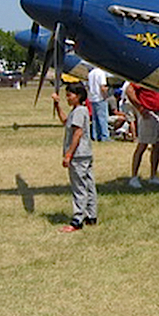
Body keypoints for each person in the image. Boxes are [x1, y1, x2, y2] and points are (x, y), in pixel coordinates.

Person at [52, 82, 97, 233]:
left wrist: (69, 154)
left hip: (78, 155)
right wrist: (58, 106)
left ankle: (78, 219)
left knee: (79, 187)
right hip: (86, 154)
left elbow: (77, 133)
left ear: (78, 96)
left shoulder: (79, 111)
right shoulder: (78, 111)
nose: (67, 98)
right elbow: (66, 122)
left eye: (69, 95)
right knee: (88, 184)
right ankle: (91, 215)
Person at [125, 82, 159, 188]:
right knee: (142, 145)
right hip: (148, 113)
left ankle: (153, 176)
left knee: (158, 145)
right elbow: (129, 90)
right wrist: (140, 108)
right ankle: (134, 177)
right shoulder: (144, 81)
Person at [87, 66, 110, 142]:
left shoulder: (90, 74)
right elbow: (102, 86)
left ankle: (95, 135)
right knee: (103, 118)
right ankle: (104, 136)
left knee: (95, 118)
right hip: (100, 97)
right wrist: (105, 95)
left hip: (92, 97)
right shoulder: (101, 73)